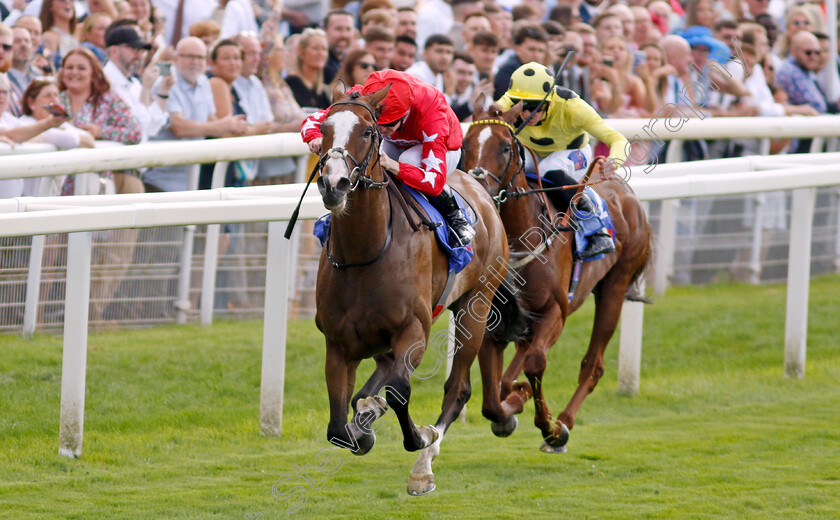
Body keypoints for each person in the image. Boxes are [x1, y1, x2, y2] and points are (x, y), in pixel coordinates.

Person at [301, 69, 475, 246]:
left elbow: (434, 181)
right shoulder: (364, 96)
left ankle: (456, 216)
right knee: (368, 159)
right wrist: (314, 136)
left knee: (408, 160)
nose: (383, 129)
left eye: (389, 123)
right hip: (398, 139)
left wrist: (395, 166)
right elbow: (314, 120)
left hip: (443, 146)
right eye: (379, 122)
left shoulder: (432, 109)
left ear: (405, 113)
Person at [497, 63, 629, 258]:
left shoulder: (573, 107)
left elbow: (619, 140)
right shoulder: (508, 101)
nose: (526, 114)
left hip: (572, 152)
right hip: (530, 150)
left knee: (549, 169)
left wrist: (614, 161)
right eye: (521, 106)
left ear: (550, 101)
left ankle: (596, 230)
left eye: (535, 107)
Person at [286, 27, 330, 111]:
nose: (320, 53)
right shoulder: (291, 83)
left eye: (324, 49)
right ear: (301, 51)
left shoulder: (323, 91)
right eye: (315, 48)